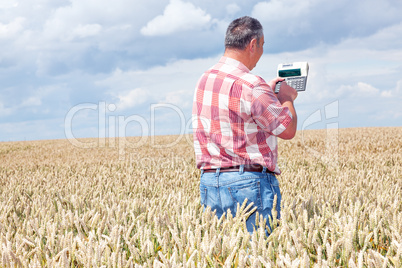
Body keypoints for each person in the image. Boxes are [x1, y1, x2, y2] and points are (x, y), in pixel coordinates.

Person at [192, 16, 298, 233]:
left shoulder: (204, 80)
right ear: (253, 44)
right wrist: (286, 98)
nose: (261, 53)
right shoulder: (251, 84)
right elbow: (287, 129)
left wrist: (266, 93)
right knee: (260, 252)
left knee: (224, 251)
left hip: (210, 182)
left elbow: (236, 112)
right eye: (262, 46)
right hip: (248, 182)